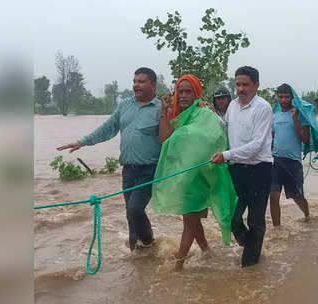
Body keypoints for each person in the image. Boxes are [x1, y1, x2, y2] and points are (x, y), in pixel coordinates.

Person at [56, 67, 161, 252]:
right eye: (135, 81)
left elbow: (177, 128)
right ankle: (135, 253)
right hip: (128, 169)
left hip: (149, 170)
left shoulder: (161, 108)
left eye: (141, 82)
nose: (136, 85)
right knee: (131, 213)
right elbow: (108, 127)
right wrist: (83, 142)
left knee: (134, 209)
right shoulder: (125, 105)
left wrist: (203, 106)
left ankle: (148, 243)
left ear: (153, 84)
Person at [155, 74, 237, 270]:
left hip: (198, 176)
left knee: (190, 220)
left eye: (188, 92)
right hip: (183, 177)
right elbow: (165, 138)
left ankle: (178, 264)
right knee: (190, 218)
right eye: (180, 91)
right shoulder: (175, 113)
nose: (183, 95)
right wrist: (164, 111)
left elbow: (214, 139)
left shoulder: (205, 113)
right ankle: (207, 251)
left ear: (196, 93)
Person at [211, 66, 273, 267]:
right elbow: (224, 127)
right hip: (236, 170)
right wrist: (207, 113)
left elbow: (256, 146)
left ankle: (250, 267)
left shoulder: (263, 108)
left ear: (256, 85)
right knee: (233, 218)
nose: (240, 89)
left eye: (245, 84)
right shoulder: (232, 106)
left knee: (255, 220)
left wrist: (226, 155)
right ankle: (252, 247)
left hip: (259, 170)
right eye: (237, 84)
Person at [269, 83, 311, 226]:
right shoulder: (274, 116)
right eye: (281, 97)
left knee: (298, 196)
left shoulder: (300, 114)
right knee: (273, 196)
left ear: (292, 98)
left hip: (293, 162)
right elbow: (272, 137)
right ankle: (277, 228)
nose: (284, 100)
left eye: (287, 97)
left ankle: (307, 215)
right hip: (276, 161)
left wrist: (295, 119)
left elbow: (305, 139)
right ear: (277, 97)